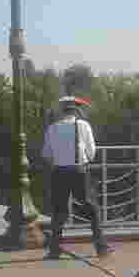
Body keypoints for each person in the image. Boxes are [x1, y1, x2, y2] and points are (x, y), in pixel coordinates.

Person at [41, 96, 112, 259]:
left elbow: (46, 154)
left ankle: (54, 250)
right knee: (92, 208)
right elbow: (91, 153)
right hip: (78, 171)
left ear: (62, 111)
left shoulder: (52, 128)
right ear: (76, 111)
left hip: (59, 172)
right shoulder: (83, 125)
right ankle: (101, 247)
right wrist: (83, 158)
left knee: (58, 211)